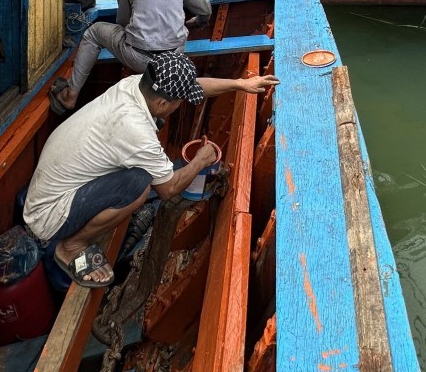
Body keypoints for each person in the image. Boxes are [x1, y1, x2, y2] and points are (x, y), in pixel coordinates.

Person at [23, 52, 279, 287]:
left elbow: (194, 86)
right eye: (180, 101)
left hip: (50, 191)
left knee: (141, 176)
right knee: (139, 186)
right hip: (49, 216)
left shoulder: (135, 86)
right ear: (164, 103)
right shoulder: (136, 130)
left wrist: (239, 84)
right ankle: (70, 247)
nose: (182, 104)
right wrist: (201, 160)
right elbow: (167, 189)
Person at [53, 0, 211, 113]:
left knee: (93, 33)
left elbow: (122, 22)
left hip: (141, 59)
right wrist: (198, 22)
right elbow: (204, 10)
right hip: (175, 56)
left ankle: (70, 95)